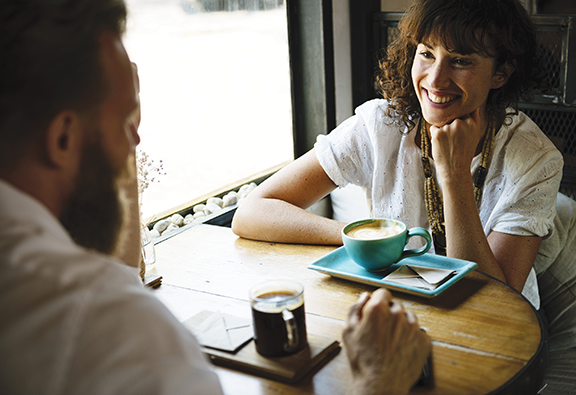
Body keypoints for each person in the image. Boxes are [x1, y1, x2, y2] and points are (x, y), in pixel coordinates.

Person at [0, 0, 430, 393]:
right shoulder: (118, 328)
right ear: (62, 138)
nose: (137, 143)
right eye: (126, 124)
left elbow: (116, 272)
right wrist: (378, 381)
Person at [232, 0, 564, 310]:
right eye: (427, 53)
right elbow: (251, 213)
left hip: (501, 331)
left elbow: (494, 300)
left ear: (500, 73)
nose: (435, 80)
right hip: (398, 310)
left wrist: (454, 174)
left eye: (461, 60)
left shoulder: (536, 159)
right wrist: (368, 240)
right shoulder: (380, 126)